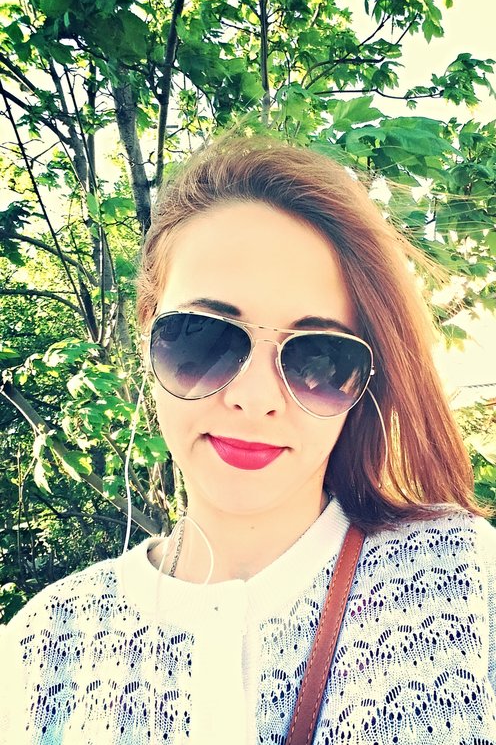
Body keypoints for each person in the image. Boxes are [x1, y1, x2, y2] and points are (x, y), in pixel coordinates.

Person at [1, 134, 495, 744]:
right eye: (205, 336)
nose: (255, 398)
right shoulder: (41, 649)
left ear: (365, 378)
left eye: (317, 357)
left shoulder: (467, 582)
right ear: (147, 335)